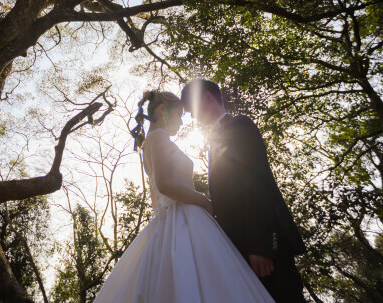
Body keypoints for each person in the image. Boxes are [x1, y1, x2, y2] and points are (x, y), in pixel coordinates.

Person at [93, 90, 274, 303]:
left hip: (171, 217)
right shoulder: (159, 137)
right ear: (163, 111)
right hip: (184, 216)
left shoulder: (149, 143)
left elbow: (155, 200)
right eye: (179, 115)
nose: (180, 122)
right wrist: (205, 202)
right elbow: (164, 184)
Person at [181, 79, 307, 303]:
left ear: (208, 98)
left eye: (192, 108)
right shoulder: (213, 142)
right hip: (240, 249)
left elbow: (255, 183)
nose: (193, 116)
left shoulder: (240, 125)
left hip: (264, 250)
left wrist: (261, 246)